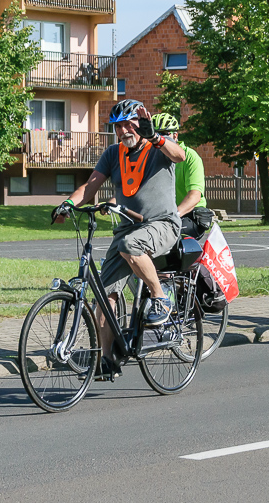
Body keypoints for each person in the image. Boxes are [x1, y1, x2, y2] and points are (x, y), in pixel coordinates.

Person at [53, 99, 186, 378]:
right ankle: (107, 359)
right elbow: (91, 185)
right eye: (118, 126)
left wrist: (155, 136)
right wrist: (68, 203)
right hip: (128, 229)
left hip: (161, 224)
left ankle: (161, 298)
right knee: (104, 294)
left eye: (129, 124)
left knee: (130, 245)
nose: (124, 130)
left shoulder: (157, 147)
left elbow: (179, 156)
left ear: (140, 124)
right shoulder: (113, 154)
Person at [150, 113, 226, 310]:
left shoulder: (190, 157)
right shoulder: (152, 159)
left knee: (165, 246)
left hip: (192, 215)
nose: (161, 137)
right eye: (157, 133)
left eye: (166, 134)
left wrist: (174, 213)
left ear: (175, 136)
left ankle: (202, 285)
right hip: (165, 216)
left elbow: (194, 195)